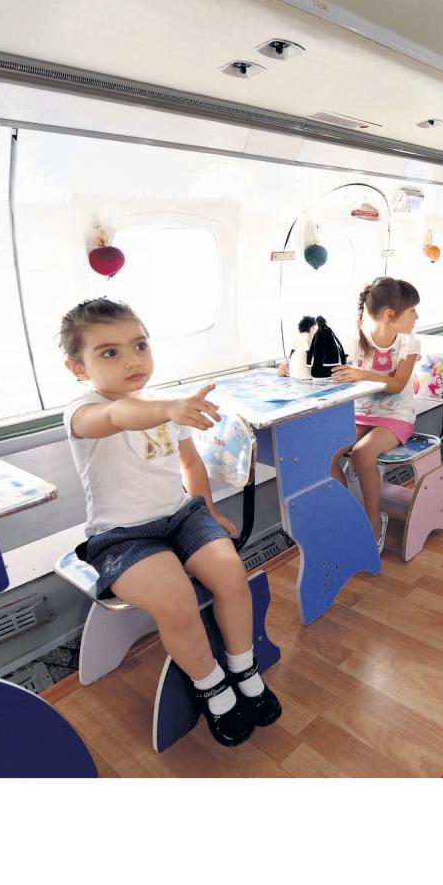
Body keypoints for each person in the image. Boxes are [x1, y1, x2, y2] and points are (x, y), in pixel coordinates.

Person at [59, 298, 281, 748]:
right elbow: (116, 416)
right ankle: (211, 685)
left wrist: (208, 509)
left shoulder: (164, 407)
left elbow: (190, 464)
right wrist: (168, 410)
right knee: (177, 601)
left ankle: (243, 666)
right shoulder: (82, 410)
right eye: (110, 352)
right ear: (77, 368)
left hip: (181, 515)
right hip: (122, 536)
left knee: (232, 575)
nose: (132, 360)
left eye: (140, 345)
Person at [330, 277, 421, 553]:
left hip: (397, 416)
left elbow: (396, 385)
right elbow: (331, 372)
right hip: (361, 414)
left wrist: (362, 375)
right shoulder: (354, 341)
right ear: (390, 315)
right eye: (412, 310)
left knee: (362, 453)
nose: (417, 316)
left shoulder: (409, 344)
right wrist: (290, 366)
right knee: (326, 456)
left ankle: (373, 521)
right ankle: (351, 513)